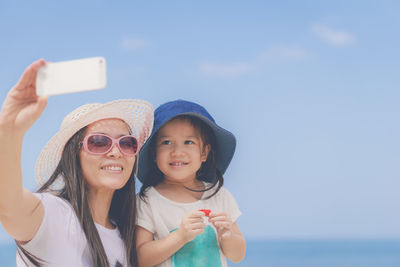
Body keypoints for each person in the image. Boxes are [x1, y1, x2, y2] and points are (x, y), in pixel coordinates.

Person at [0, 59, 154, 267]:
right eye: (99, 142)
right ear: (74, 154)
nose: (116, 152)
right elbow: (8, 206)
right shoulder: (55, 216)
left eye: (127, 143)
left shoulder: (126, 235)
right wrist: (10, 130)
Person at [135, 99, 246, 267]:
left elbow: (238, 255)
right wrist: (180, 237)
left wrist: (227, 235)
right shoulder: (147, 201)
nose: (177, 152)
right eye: (167, 142)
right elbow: (140, 258)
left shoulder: (220, 197)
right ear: (154, 154)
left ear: (204, 152)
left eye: (189, 142)